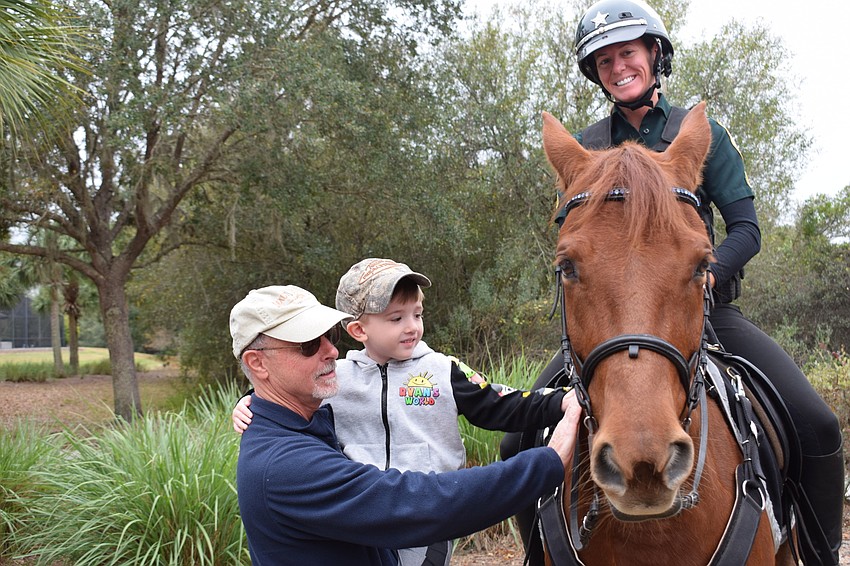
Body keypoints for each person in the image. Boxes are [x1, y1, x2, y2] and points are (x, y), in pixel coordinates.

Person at [498, 1, 844, 564]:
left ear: (654, 55)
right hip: (611, 319)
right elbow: (579, 246)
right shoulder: (586, 148)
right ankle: (541, 551)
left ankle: (817, 550)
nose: (618, 67)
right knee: (517, 437)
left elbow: (747, 228)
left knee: (815, 423)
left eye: (627, 53)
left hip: (700, 306)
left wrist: (707, 275)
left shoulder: (699, 133)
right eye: (604, 60)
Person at [233, 259, 575, 565]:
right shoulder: (334, 391)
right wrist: (253, 398)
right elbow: (400, 502)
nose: (331, 351)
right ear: (360, 330)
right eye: (309, 345)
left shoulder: (441, 371)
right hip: (403, 509)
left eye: (329, 336)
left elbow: (502, 403)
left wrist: (561, 400)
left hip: (425, 522)